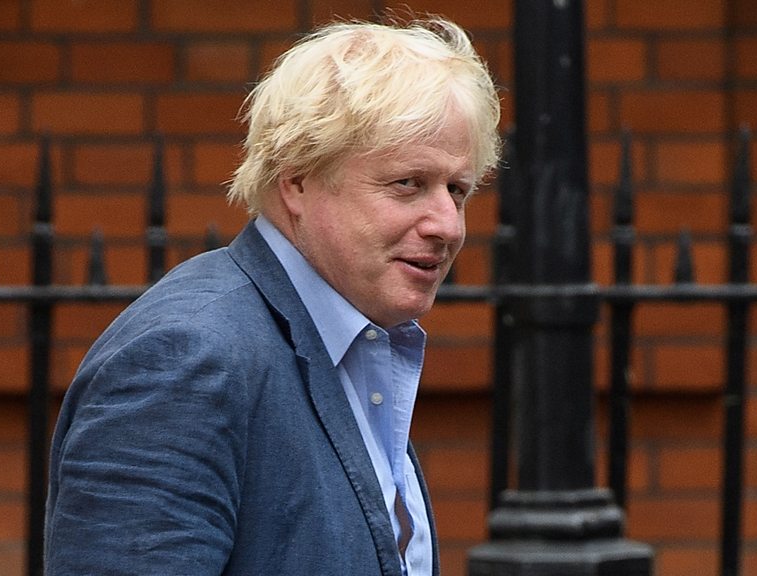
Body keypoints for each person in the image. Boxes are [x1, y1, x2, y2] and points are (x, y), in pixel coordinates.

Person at [44, 15, 500, 576]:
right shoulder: (186, 359)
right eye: (408, 184)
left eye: (457, 190)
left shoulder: (356, 345)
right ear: (297, 181)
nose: (447, 225)